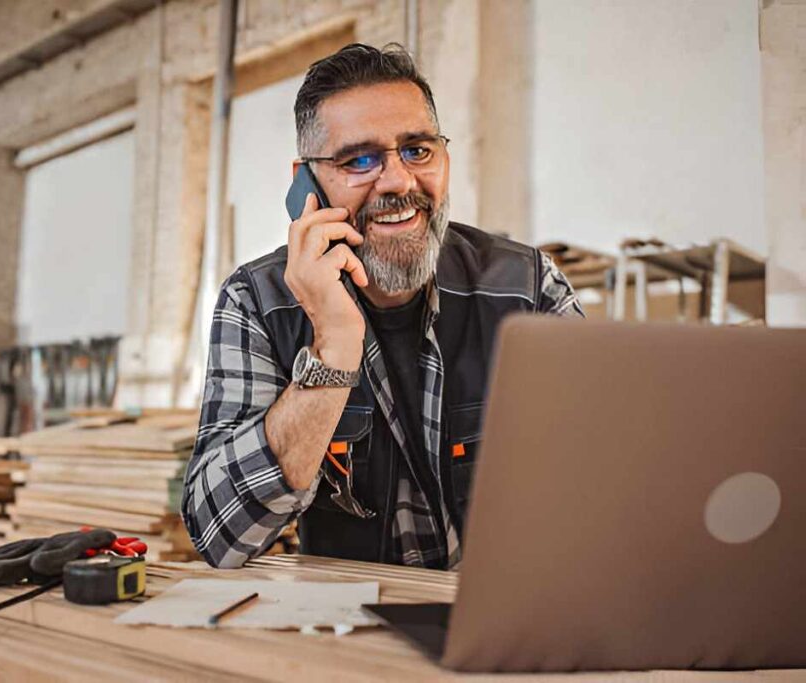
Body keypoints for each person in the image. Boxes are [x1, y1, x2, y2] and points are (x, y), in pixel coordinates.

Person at [182, 43, 583, 570]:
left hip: (505, 622)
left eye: (417, 150)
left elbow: (600, 486)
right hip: (351, 638)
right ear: (306, 184)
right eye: (359, 159)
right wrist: (333, 347)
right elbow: (220, 533)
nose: (398, 182)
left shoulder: (527, 289)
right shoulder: (256, 302)